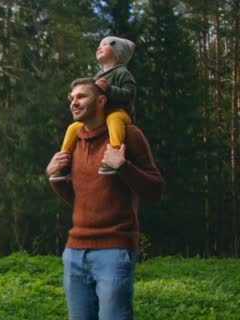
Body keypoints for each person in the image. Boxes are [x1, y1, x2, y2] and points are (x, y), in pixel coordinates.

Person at [46, 78, 164, 320]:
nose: (74, 103)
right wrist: (54, 177)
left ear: (101, 101)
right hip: (74, 252)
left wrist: (123, 166)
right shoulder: (74, 141)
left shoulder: (129, 136)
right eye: (72, 98)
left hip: (114, 250)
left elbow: (156, 191)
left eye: (82, 97)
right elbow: (82, 199)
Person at [50, 36, 137, 181]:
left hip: (120, 113)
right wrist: (77, 97)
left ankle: (113, 155)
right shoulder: (98, 75)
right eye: (99, 45)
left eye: (105, 45)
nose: (100, 47)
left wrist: (109, 89)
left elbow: (130, 94)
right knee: (73, 127)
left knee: (114, 119)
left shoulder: (122, 72)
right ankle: (63, 163)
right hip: (100, 115)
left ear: (118, 52)